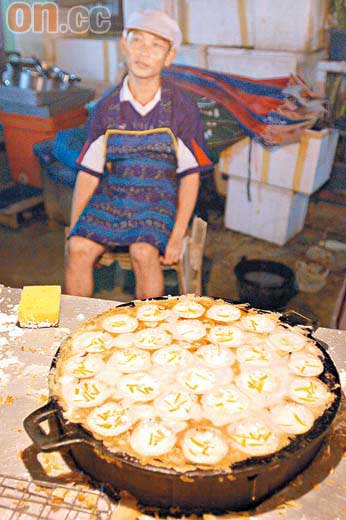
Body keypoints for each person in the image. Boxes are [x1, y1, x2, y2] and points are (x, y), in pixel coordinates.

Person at [65, 10, 212, 299]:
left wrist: (177, 235)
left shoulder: (182, 107)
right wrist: (75, 225)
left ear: (169, 57)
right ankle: (77, 327)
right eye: (137, 41)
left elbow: (191, 176)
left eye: (156, 46)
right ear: (124, 46)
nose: (144, 52)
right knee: (79, 249)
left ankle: (148, 332)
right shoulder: (106, 107)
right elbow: (89, 174)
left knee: (143, 252)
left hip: (160, 196)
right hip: (115, 192)